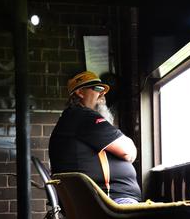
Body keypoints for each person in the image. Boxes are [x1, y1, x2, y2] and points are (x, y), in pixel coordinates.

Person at [48, 71, 141, 204]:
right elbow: (128, 152)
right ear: (80, 92)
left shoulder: (73, 118)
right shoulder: (84, 117)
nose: (103, 94)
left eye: (104, 90)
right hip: (106, 202)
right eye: (98, 89)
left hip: (100, 199)